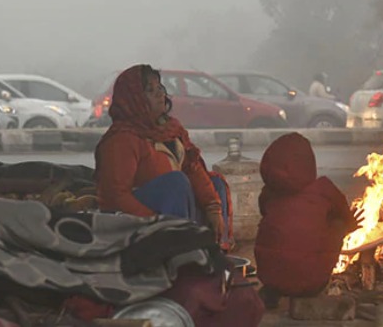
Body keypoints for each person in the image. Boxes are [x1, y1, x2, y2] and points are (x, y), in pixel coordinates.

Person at [94, 64, 232, 249]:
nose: (160, 94)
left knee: (215, 185)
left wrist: (213, 208)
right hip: (138, 221)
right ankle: (180, 252)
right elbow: (115, 197)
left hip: (175, 210)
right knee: (176, 183)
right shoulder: (121, 139)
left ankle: (214, 252)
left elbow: (193, 168)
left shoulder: (170, 129)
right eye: (150, 91)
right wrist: (155, 222)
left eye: (159, 87)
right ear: (134, 100)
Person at [253, 133, 361, 309]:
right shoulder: (324, 189)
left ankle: (273, 292)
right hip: (310, 283)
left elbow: (264, 212)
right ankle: (310, 289)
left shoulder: (268, 193)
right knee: (337, 224)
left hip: (269, 276)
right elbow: (343, 215)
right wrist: (348, 226)